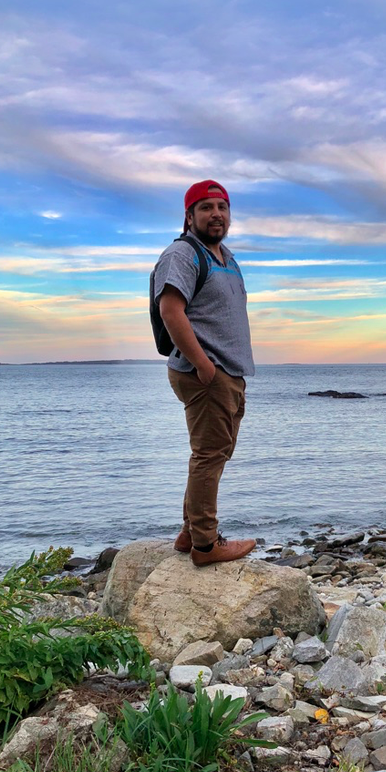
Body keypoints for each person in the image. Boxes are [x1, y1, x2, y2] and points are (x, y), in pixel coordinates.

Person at [153, 179, 256, 565]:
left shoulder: (225, 256)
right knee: (210, 454)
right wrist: (204, 365)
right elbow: (171, 310)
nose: (216, 214)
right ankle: (206, 545)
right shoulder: (183, 254)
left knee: (214, 453)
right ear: (189, 215)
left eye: (222, 207)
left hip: (227, 371)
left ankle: (189, 532)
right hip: (206, 372)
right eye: (206, 207)